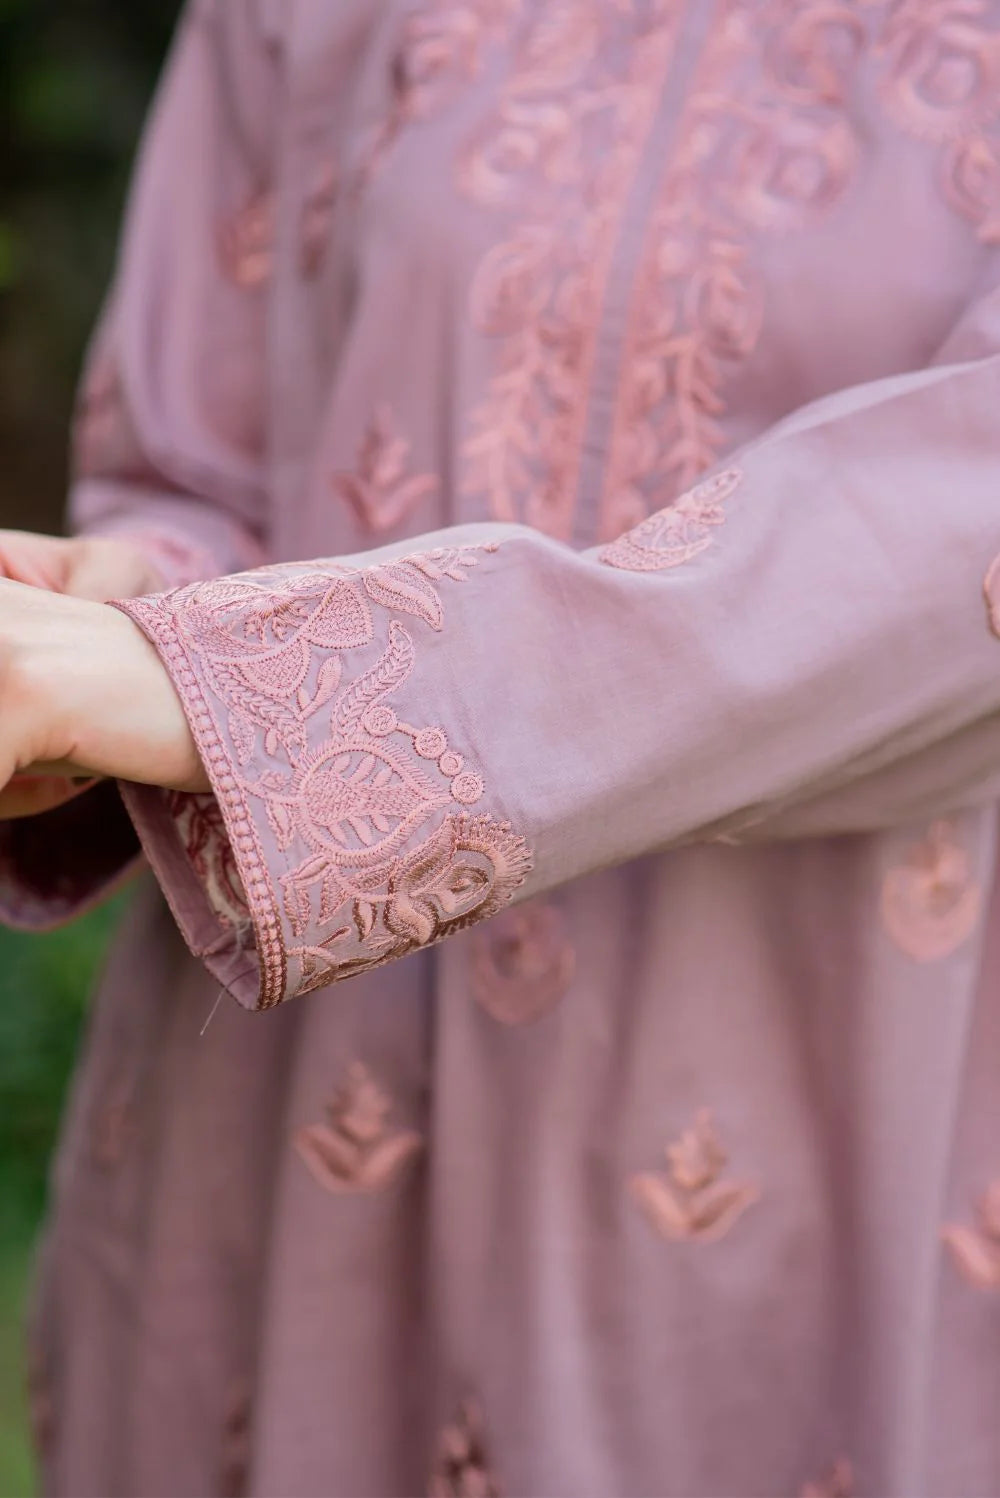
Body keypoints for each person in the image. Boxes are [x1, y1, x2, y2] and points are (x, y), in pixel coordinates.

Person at [2, 2, 1000, 1494]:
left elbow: (952, 572)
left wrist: (253, 689)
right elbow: (200, 456)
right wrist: (138, 596)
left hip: (829, 1094)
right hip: (298, 1132)